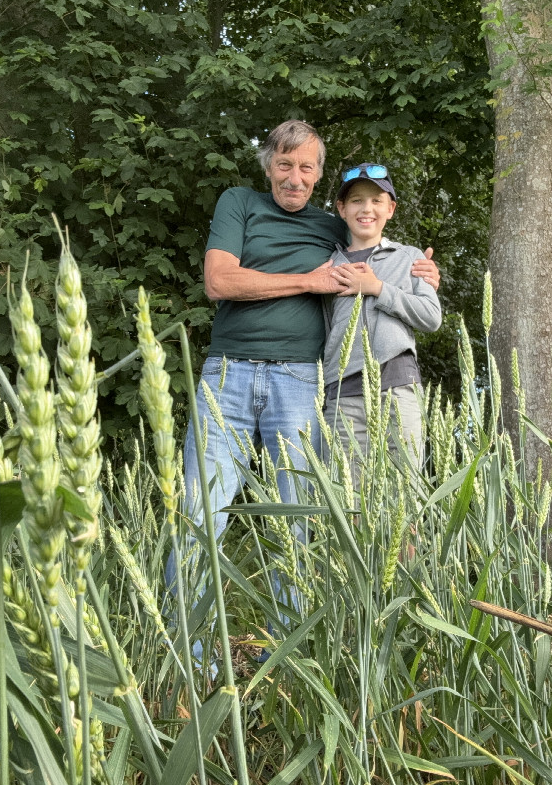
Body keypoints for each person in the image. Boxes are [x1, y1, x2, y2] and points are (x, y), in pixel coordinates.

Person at [168, 120, 439, 642]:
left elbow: (374, 237)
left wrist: (423, 272)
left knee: (298, 515)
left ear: (318, 177)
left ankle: (287, 646)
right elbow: (219, 281)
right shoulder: (240, 203)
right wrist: (309, 281)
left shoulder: (332, 227)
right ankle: (188, 649)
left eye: (307, 168)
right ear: (268, 165)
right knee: (201, 509)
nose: (295, 178)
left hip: (300, 381)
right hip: (228, 373)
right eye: (285, 165)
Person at [323, 162, 442, 471]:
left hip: (398, 390)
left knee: (404, 498)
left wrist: (377, 288)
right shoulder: (327, 266)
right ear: (342, 208)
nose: (367, 209)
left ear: (390, 209)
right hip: (343, 397)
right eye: (357, 200)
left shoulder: (409, 257)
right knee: (349, 502)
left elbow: (431, 317)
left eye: (377, 201)